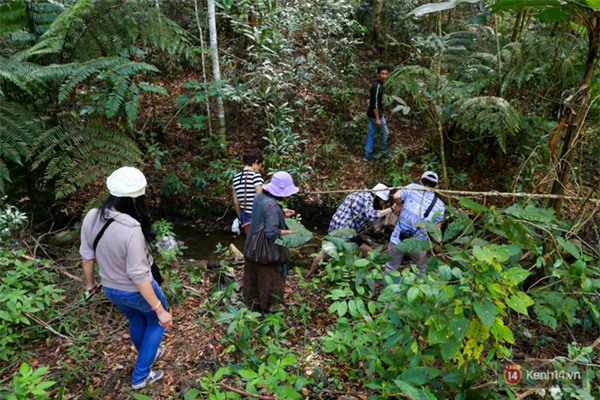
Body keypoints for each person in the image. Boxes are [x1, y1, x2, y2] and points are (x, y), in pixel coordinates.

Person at [80, 167, 173, 390]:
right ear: (135, 199)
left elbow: (87, 255)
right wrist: (160, 309)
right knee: (156, 322)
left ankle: (148, 352)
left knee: (137, 320)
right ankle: (141, 376)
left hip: (111, 289)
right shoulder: (131, 229)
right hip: (135, 289)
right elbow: (139, 275)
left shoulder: (92, 216)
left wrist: (90, 284)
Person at [306, 183, 398, 278]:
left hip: (335, 226)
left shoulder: (358, 193)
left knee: (326, 251)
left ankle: (310, 273)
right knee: (371, 254)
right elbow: (372, 215)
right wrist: (392, 209)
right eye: (382, 200)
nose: (382, 202)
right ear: (379, 198)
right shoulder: (368, 200)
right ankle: (358, 277)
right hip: (346, 231)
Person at [243, 171, 298, 312]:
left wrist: (281, 212)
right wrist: (291, 232)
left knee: (255, 277)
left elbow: (262, 214)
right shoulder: (273, 208)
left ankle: (254, 301)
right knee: (272, 277)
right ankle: (271, 306)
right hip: (267, 254)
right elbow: (271, 233)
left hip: (252, 248)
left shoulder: (260, 197)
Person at [384, 171, 445, 277]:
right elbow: (436, 230)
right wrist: (436, 246)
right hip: (419, 243)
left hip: (398, 238)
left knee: (390, 266)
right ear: (436, 186)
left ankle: (388, 290)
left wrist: (399, 205)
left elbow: (396, 195)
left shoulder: (413, 188)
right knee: (421, 269)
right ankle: (418, 291)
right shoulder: (440, 206)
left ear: (420, 182)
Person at [232, 149, 264, 230]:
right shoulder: (256, 175)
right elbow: (259, 198)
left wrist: (240, 217)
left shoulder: (236, 178)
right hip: (256, 216)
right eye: (260, 164)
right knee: (259, 241)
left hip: (244, 216)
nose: (260, 167)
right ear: (256, 162)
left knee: (250, 240)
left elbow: (236, 202)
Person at [364, 65, 390, 161]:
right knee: (385, 133)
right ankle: (382, 150)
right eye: (382, 74)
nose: (384, 76)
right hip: (375, 115)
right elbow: (374, 103)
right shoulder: (377, 86)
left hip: (371, 114)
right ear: (378, 74)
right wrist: (378, 119)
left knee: (371, 133)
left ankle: (367, 154)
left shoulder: (378, 84)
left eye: (386, 74)